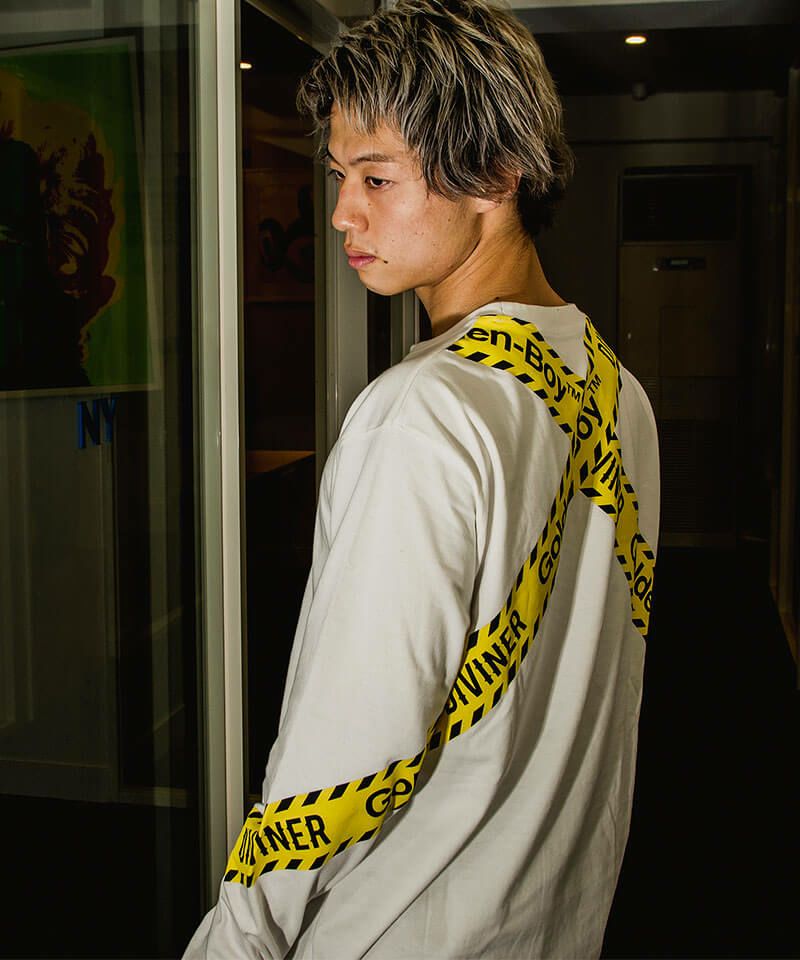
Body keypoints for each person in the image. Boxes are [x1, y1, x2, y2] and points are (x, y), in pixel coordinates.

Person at [184, 0, 659, 956]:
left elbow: (343, 754)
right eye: (339, 176)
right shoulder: (618, 392)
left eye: (377, 177)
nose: (341, 212)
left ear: (498, 171)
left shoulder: (423, 413)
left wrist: (235, 942)